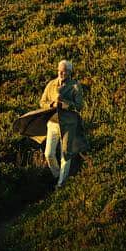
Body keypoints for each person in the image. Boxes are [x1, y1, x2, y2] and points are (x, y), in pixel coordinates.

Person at [40, 60, 88, 188]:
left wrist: (66, 105)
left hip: (68, 124)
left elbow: (79, 106)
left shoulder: (75, 86)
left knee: (65, 154)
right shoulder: (51, 84)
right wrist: (52, 104)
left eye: (64, 71)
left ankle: (61, 184)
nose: (61, 73)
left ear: (69, 72)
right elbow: (42, 102)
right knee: (48, 154)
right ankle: (57, 175)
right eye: (59, 70)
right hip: (53, 123)